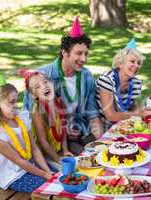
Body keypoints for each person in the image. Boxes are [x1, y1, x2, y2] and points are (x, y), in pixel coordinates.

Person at [23, 17, 102, 154]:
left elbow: (92, 114)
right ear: (64, 52)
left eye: (86, 54)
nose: (84, 59)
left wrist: (101, 141)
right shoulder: (40, 78)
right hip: (53, 139)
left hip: (81, 131)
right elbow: (29, 116)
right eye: (79, 53)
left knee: (105, 152)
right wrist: (61, 129)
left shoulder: (86, 75)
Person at [0, 66, 53, 193]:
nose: (16, 106)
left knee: (58, 177)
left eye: (16, 101)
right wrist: (44, 174)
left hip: (31, 165)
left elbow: (34, 149)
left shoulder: (21, 119)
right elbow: (19, 161)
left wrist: (47, 171)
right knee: (47, 189)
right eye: (11, 102)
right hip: (15, 176)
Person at [95, 38, 151, 130]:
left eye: (139, 63)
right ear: (120, 64)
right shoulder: (107, 79)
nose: (136, 66)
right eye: (132, 61)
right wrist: (138, 114)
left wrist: (142, 111)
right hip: (102, 125)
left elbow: (131, 107)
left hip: (123, 125)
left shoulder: (135, 83)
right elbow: (110, 116)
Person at [19, 70, 73, 169]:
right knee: (66, 170)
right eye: (38, 87)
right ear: (34, 95)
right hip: (45, 154)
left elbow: (63, 129)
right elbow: (43, 141)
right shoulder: (38, 113)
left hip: (59, 148)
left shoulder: (59, 102)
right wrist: (57, 159)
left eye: (45, 81)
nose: (44, 86)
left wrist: (65, 150)